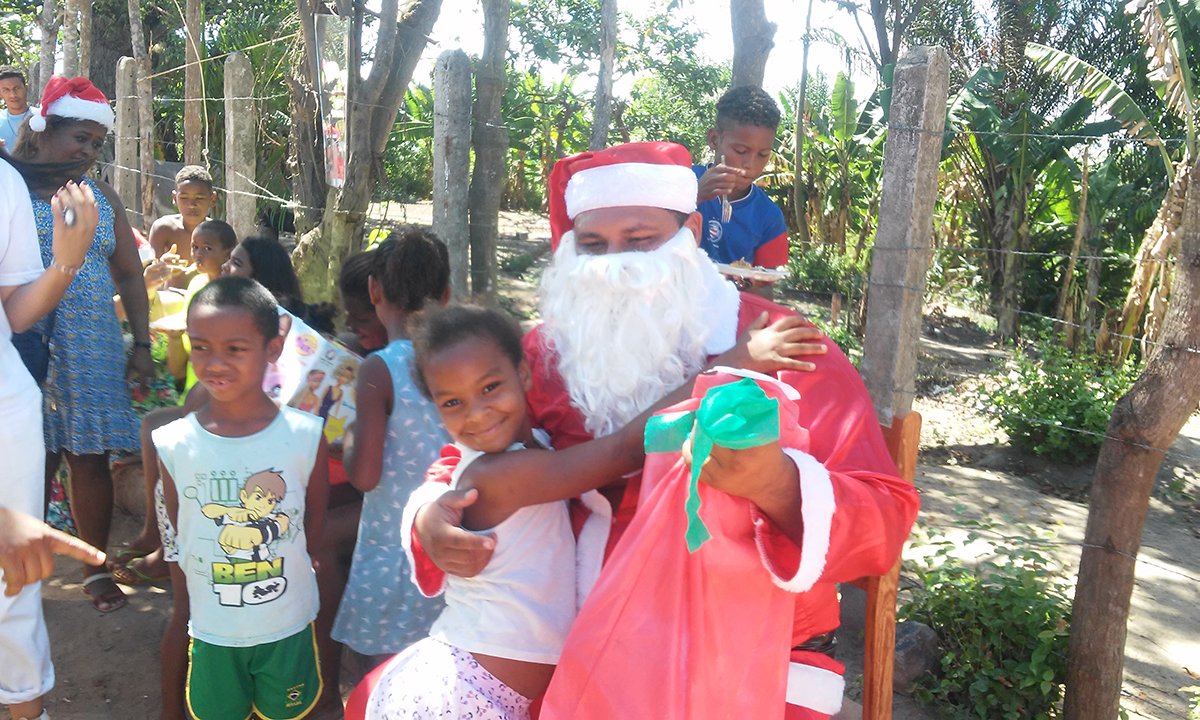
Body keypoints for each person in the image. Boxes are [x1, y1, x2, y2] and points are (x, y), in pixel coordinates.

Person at [402, 142, 919, 719]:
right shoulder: (545, 353)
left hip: (746, 658)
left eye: (640, 240)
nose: (615, 265)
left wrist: (774, 484)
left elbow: (883, 520)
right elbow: (466, 455)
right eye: (592, 245)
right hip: (579, 642)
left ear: (690, 231)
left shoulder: (781, 345)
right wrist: (429, 516)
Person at [9, 75, 154, 613]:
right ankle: (19, 566)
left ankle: (94, 566)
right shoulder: (10, 188)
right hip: (23, 341)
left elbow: (130, 274)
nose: (89, 151)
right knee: (28, 458)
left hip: (91, 343)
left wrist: (142, 345)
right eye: (80, 138)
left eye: (97, 142)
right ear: (44, 130)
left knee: (88, 457)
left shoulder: (101, 196)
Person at [157, 276, 330, 720]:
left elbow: (312, 528)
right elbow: (183, 529)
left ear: (273, 349)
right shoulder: (174, 444)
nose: (215, 363)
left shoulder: (306, 437)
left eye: (235, 349)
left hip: (286, 623)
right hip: (214, 628)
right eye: (201, 347)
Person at [1, 150, 98, 720]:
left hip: (7, 412)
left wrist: (67, 261)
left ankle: (27, 710)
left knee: (14, 584)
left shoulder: (4, 182)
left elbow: (12, 315)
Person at [332, 229, 452, 686]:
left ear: (373, 290)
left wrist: (349, 440)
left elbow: (364, 476)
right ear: (446, 294)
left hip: (392, 549)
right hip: (449, 548)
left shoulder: (378, 369)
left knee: (385, 679)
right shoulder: (463, 358)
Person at [693, 85, 789, 273]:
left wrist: (749, 283)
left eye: (763, 154)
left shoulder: (769, 217)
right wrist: (695, 195)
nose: (750, 164)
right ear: (714, 140)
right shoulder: (680, 181)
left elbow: (767, 283)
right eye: (741, 151)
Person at [146, 165, 217, 265]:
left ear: (212, 199)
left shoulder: (220, 233)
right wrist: (161, 263)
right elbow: (150, 267)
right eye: (184, 198)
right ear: (174, 198)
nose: (192, 204)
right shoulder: (163, 229)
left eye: (199, 198)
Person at [0, 67, 31, 150]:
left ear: (26, 88)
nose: (13, 95)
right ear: (0, 94)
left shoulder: (41, 117)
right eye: (6, 90)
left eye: (16, 88)